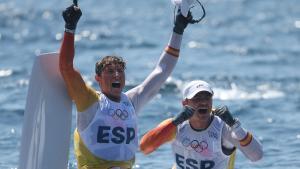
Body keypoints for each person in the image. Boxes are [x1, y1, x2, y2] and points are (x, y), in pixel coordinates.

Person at [59, 1, 196, 168]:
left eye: (120, 71)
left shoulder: (131, 102)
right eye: (110, 71)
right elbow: (66, 68)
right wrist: (70, 28)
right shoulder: (89, 101)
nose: (116, 75)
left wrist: (178, 29)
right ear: (98, 79)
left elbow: (162, 71)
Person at [140, 80, 263, 169]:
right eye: (197, 98)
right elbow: (145, 148)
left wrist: (235, 125)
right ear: (185, 103)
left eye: (207, 97)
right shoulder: (175, 125)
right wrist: (174, 123)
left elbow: (257, 156)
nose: (203, 102)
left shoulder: (224, 127)